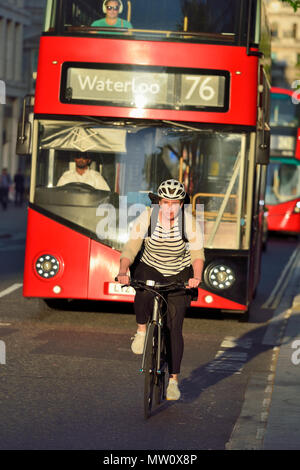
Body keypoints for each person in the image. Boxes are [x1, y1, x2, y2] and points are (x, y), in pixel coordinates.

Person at [117, 179, 205, 401]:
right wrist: (123, 269)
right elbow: (131, 245)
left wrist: (196, 277)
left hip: (179, 272)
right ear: (159, 202)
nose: (170, 208)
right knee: (143, 290)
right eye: (166, 202)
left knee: (174, 328)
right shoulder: (148, 216)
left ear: (182, 204)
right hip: (151, 267)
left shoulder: (189, 223)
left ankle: (174, 380)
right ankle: (141, 331)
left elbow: (197, 254)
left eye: (175, 203)